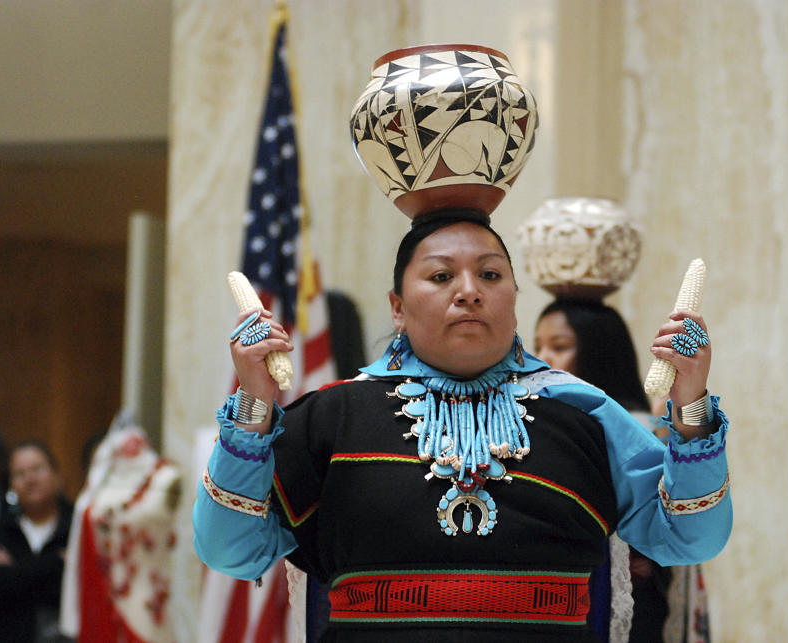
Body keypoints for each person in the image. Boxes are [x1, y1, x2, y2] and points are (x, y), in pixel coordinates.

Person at [194, 209, 732, 642]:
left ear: (516, 302)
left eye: (491, 274)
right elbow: (230, 549)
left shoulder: (584, 413)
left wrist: (690, 400)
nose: (469, 290)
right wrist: (254, 403)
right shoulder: (332, 417)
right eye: (441, 275)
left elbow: (690, 536)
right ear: (397, 308)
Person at [535, 299, 710, 642]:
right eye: (537, 345)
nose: (543, 359)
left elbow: (682, 521)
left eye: (559, 346)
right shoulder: (542, 430)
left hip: (634, 603)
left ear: (599, 352)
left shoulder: (642, 430)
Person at [0, 440, 73, 642]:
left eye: (37, 469)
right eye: (20, 474)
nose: (30, 479)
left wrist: (14, 573)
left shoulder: (77, 527)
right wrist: (57, 564)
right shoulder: (3, 533)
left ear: (56, 474)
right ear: (11, 484)